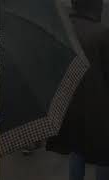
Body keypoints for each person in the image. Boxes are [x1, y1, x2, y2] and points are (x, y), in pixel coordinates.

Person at [46, 0, 109, 179]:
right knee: (104, 154)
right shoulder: (102, 33)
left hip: (70, 103)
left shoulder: (64, 31)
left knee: (77, 149)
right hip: (99, 106)